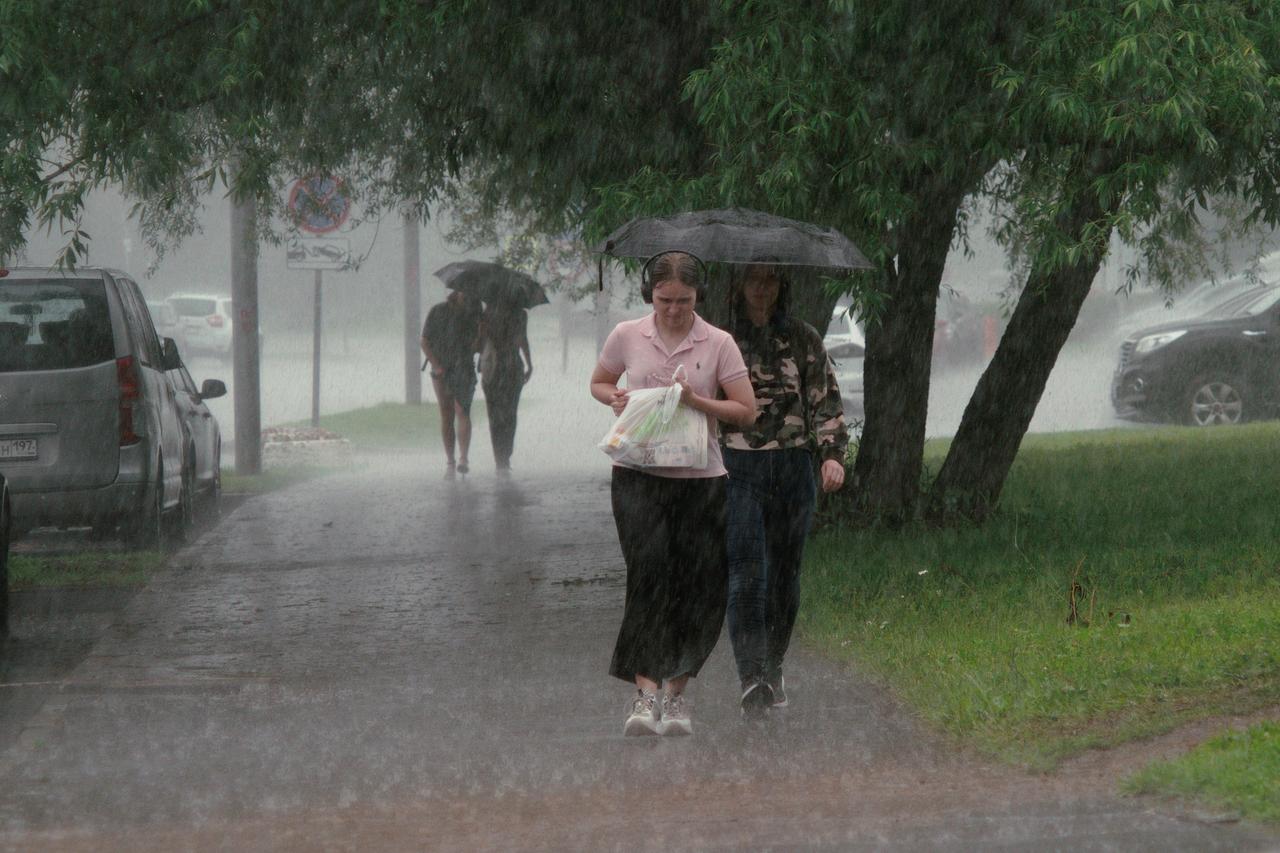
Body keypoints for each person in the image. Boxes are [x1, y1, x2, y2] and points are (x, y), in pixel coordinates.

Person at [590, 251, 757, 736]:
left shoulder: (719, 343)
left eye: (684, 300)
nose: (674, 310)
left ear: (697, 297)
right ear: (651, 295)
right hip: (637, 476)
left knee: (699, 586)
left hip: (700, 480)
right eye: (664, 300)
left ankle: (678, 697)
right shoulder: (627, 335)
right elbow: (599, 383)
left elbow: (745, 411)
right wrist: (615, 397)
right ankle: (644, 695)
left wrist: (696, 401)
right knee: (649, 577)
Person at [720, 262, 849, 717]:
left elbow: (825, 401)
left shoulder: (803, 338)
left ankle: (773, 665)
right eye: (754, 278)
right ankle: (749, 675)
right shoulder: (721, 341)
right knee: (745, 572)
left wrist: (832, 454)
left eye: (771, 279)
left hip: (793, 466)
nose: (762, 288)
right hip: (737, 466)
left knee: (784, 575)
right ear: (738, 284)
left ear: (782, 285)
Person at [420, 290, 481, 477]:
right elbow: (424, 341)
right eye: (463, 291)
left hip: (464, 369)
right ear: (456, 291)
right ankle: (450, 460)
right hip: (442, 370)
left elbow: (476, 347)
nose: (467, 296)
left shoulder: (475, 314)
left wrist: (480, 332)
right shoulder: (438, 311)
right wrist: (437, 366)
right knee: (447, 414)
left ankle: (463, 458)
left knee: (462, 411)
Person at [478, 296, 533, 472]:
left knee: (495, 413)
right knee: (509, 413)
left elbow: (480, 342)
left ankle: (499, 458)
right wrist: (529, 363)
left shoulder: (487, 312)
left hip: (493, 367)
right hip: (511, 366)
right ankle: (505, 456)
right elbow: (522, 339)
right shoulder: (520, 314)